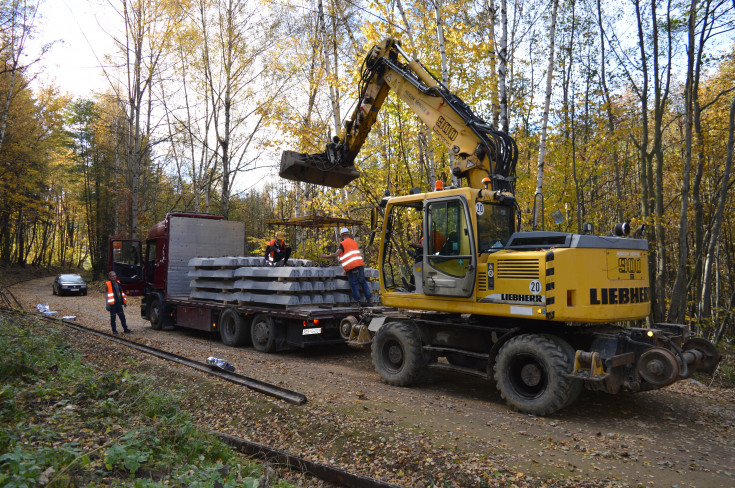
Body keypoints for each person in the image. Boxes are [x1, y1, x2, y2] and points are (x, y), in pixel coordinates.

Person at [322, 227, 374, 306]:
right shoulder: (354, 242)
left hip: (351, 267)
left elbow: (336, 254)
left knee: (354, 284)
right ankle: (369, 299)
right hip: (360, 265)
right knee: (363, 282)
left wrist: (326, 256)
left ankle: (357, 301)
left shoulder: (342, 244)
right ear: (348, 234)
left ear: (342, 235)